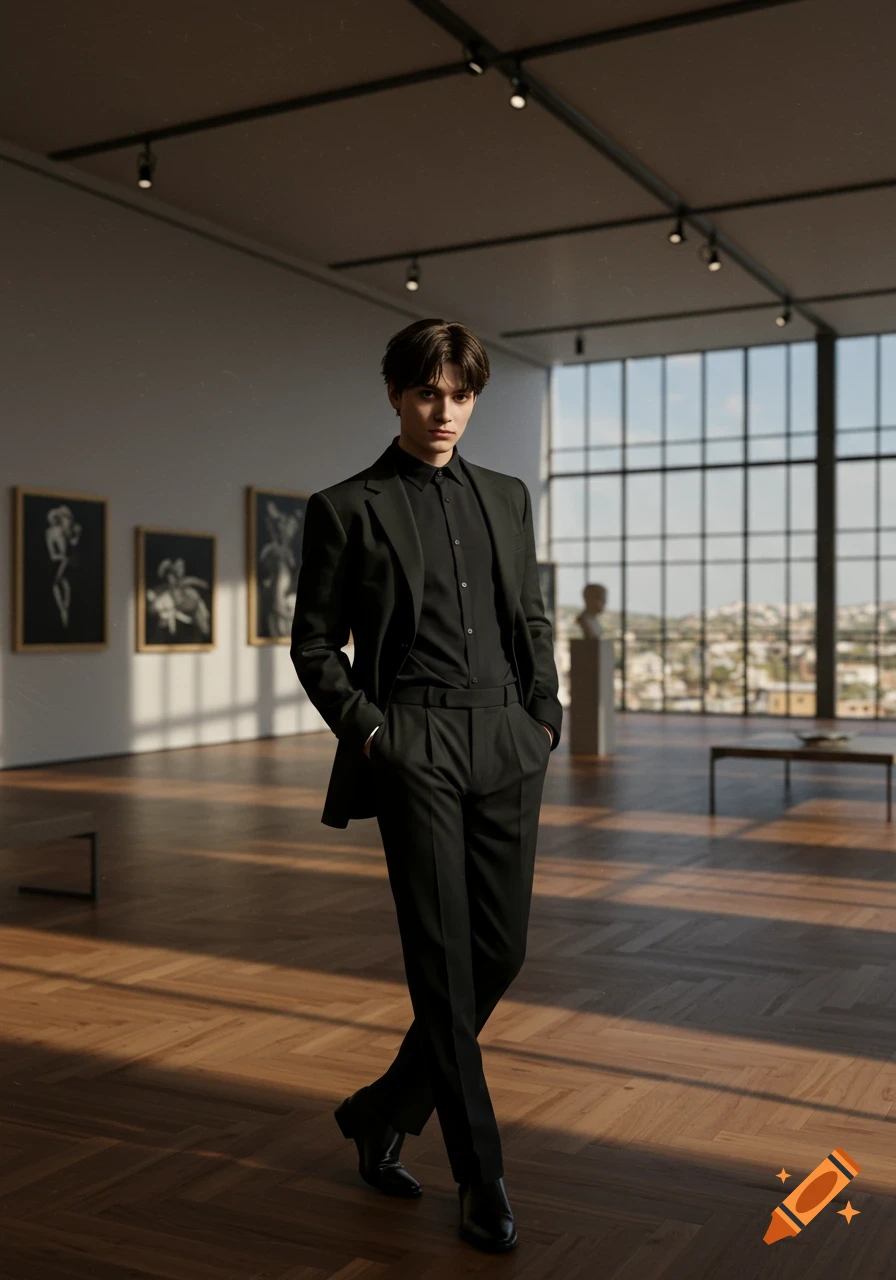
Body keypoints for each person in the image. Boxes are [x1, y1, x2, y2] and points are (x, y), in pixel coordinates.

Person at [291, 318, 561, 1253]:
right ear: (396, 396)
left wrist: (544, 720)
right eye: (426, 394)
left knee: (501, 952)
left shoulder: (508, 496)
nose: (445, 412)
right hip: (413, 740)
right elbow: (314, 645)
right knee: (443, 967)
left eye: (461, 395)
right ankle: (480, 1173)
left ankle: (381, 1110)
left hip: (505, 740)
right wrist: (373, 734)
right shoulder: (346, 506)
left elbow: (530, 614)